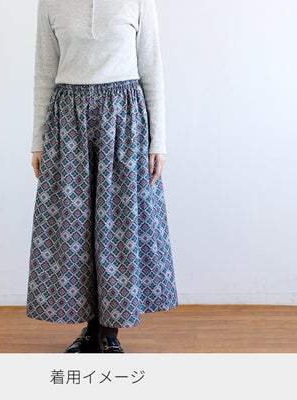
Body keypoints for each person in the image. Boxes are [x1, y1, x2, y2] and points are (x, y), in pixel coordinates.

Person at [26, 0, 179, 353]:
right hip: (68, 120)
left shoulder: (138, 2)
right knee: (75, 226)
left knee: (118, 226)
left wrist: (159, 142)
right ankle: (90, 327)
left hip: (123, 120)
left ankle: (109, 332)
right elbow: (44, 72)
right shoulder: (51, 3)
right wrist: (37, 141)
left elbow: (151, 69)